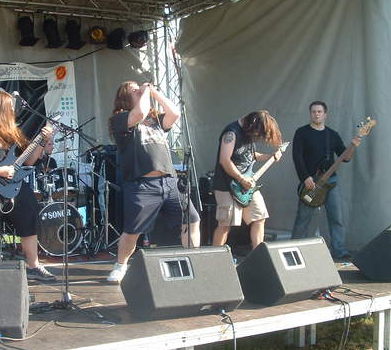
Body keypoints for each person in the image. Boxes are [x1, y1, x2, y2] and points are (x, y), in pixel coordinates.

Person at [106, 81, 201, 283]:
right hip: (142, 185)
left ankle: (193, 261)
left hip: (169, 181)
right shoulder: (119, 119)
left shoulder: (154, 119)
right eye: (134, 90)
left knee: (192, 219)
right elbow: (139, 113)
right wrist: (146, 91)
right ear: (124, 97)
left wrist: (155, 92)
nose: (139, 90)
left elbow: (174, 113)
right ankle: (120, 265)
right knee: (133, 231)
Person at [0, 90, 56, 281]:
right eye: (10, 108)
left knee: (29, 219)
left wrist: (42, 142)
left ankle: (34, 266)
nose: (13, 111)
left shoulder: (12, 132)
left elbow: (28, 161)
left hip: (15, 184)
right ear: (0, 108)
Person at [291, 101, 360, 260]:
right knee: (303, 218)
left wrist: (353, 145)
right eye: (314, 111)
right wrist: (305, 177)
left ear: (325, 114)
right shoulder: (302, 132)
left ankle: (339, 250)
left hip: (331, 182)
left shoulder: (332, 135)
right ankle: (293, 249)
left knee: (336, 217)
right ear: (310, 114)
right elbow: (297, 157)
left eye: (319, 111)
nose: (316, 114)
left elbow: (346, 157)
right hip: (311, 183)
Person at [212, 111, 283, 250]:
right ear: (252, 125)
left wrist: (270, 156)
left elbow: (250, 155)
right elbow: (224, 160)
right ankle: (215, 256)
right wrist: (241, 178)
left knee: (259, 217)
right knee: (225, 224)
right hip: (227, 185)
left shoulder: (249, 133)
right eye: (257, 133)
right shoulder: (231, 133)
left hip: (247, 185)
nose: (257, 136)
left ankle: (260, 254)